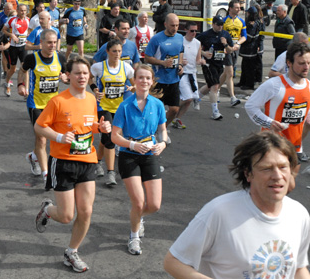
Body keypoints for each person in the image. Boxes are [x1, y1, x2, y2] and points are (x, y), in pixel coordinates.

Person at [164, 131, 309, 279]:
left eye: (283, 167)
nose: (278, 176)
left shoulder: (299, 214)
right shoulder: (219, 212)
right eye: (266, 168)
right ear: (248, 174)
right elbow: (173, 262)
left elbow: (298, 269)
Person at [34, 57, 111, 273]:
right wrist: (58, 137)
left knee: (86, 211)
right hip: (63, 163)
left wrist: (101, 127)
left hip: (87, 161)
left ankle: (72, 251)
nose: (82, 77)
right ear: (68, 76)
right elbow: (40, 127)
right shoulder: (58, 101)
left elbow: (89, 125)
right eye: (77, 73)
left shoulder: (91, 99)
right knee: (67, 216)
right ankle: (48, 210)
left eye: (85, 73)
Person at [111, 64, 167, 256]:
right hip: (129, 156)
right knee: (138, 202)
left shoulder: (158, 105)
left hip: (150, 154)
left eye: (147, 78)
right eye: (140, 78)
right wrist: (132, 145)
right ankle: (134, 237)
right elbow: (114, 136)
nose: (144, 81)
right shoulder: (125, 105)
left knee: (154, 205)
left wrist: (163, 144)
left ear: (152, 82)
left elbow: (163, 131)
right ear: (134, 81)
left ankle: (138, 218)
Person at [245, 42, 310, 163]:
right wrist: (269, 123)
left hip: (294, 149)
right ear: (289, 63)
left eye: (308, 63)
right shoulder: (274, 85)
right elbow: (250, 106)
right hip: (271, 147)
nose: (306, 67)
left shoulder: (309, 87)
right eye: (301, 63)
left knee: (290, 182)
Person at [18, 29, 67, 180]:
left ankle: (34, 156)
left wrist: (66, 77)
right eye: (49, 42)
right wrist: (20, 84)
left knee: (50, 138)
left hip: (54, 106)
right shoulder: (32, 58)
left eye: (54, 42)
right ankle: (47, 174)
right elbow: (22, 70)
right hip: (36, 104)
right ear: (42, 43)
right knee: (42, 139)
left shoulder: (60, 58)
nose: (52, 45)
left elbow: (66, 74)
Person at [90, 37, 135, 186]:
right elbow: (90, 78)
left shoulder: (126, 68)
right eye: (114, 51)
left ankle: (97, 162)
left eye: (119, 51)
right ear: (108, 52)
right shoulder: (99, 67)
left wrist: (132, 88)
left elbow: (135, 84)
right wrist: (95, 90)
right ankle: (111, 173)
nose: (117, 54)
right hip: (103, 107)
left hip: (118, 107)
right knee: (110, 138)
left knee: (105, 138)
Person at [144, 13, 184, 126]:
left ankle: (162, 129)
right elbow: (147, 58)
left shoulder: (180, 37)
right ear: (165, 24)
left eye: (177, 25)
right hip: (159, 80)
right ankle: (152, 130)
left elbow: (181, 52)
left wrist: (180, 65)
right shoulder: (157, 39)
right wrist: (162, 63)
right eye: (172, 25)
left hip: (174, 80)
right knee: (155, 111)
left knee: (174, 109)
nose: (175, 28)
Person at [196, 16, 234, 120]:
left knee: (210, 85)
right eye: (218, 25)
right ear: (213, 24)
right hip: (208, 64)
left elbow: (231, 50)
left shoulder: (225, 34)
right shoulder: (206, 35)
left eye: (222, 24)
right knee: (215, 86)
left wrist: (225, 44)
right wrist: (203, 53)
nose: (220, 27)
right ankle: (215, 112)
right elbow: (195, 44)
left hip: (219, 63)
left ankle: (197, 97)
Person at [171, 21, 202, 128]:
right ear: (186, 30)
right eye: (191, 31)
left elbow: (197, 60)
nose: (194, 33)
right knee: (187, 98)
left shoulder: (197, 43)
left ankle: (177, 119)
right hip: (182, 73)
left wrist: (202, 61)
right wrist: (180, 62)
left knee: (190, 100)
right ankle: (171, 111)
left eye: (195, 31)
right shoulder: (180, 41)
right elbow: (173, 55)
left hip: (192, 74)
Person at [220, 1, 247, 107]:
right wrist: (226, 46)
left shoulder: (241, 21)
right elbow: (220, 34)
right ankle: (232, 97)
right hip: (226, 49)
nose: (238, 9)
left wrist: (238, 44)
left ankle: (215, 88)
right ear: (230, 8)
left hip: (236, 48)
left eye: (239, 8)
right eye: (236, 7)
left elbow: (244, 36)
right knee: (230, 73)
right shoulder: (224, 21)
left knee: (226, 73)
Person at [2, 4, 30, 96]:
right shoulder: (11, 20)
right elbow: (3, 30)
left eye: (24, 11)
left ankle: (26, 90)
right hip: (13, 47)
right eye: (21, 10)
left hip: (23, 47)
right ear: (17, 10)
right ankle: (7, 83)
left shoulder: (28, 20)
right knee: (13, 69)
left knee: (25, 68)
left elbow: (29, 31)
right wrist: (12, 35)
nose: (23, 12)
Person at [237, 5, 265, 90]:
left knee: (249, 68)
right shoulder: (252, 22)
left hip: (250, 49)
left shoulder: (253, 24)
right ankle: (243, 82)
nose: (247, 14)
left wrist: (242, 37)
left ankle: (249, 84)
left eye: (248, 13)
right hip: (247, 49)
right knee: (244, 66)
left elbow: (250, 37)